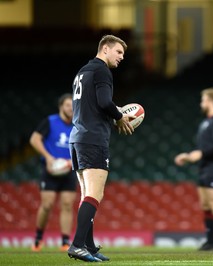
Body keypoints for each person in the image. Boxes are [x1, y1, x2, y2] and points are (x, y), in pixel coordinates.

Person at [67, 35, 134, 262]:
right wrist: (120, 117)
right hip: (93, 139)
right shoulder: (102, 71)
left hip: (77, 138)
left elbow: (94, 102)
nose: (121, 57)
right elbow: (105, 102)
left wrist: (115, 111)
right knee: (95, 194)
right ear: (105, 49)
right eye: (119, 52)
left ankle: (89, 246)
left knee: (87, 194)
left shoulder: (82, 72)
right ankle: (77, 245)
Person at [174, 88, 213, 251]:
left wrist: (201, 153)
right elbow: (203, 147)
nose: (202, 103)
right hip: (205, 167)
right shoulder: (207, 122)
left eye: (203, 100)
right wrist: (189, 155)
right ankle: (210, 241)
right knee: (206, 205)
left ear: (211, 101)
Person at [30, 93, 76, 252]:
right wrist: (49, 158)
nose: (71, 108)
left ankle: (65, 241)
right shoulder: (50, 121)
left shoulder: (78, 125)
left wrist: (72, 161)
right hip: (50, 169)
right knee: (47, 204)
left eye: (73, 105)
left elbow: (82, 147)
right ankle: (38, 238)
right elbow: (34, 139)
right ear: (61, 107)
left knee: (67, 205)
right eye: (68, 105)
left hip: (69, 170)